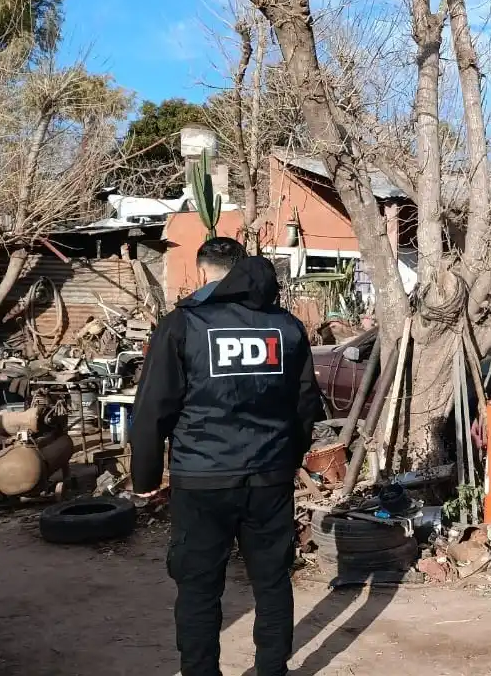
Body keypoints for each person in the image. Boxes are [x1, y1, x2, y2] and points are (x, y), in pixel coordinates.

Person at [131, 237, 321, 676]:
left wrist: (143, 479)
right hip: (269, 478)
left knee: (199, 586)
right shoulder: (287, 327)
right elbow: (306, 403)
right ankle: (272, 668)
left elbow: (152, 409)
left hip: (202, 479)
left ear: (206, 272)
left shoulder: (184, 325)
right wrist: (288, 456)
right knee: (272, 581)